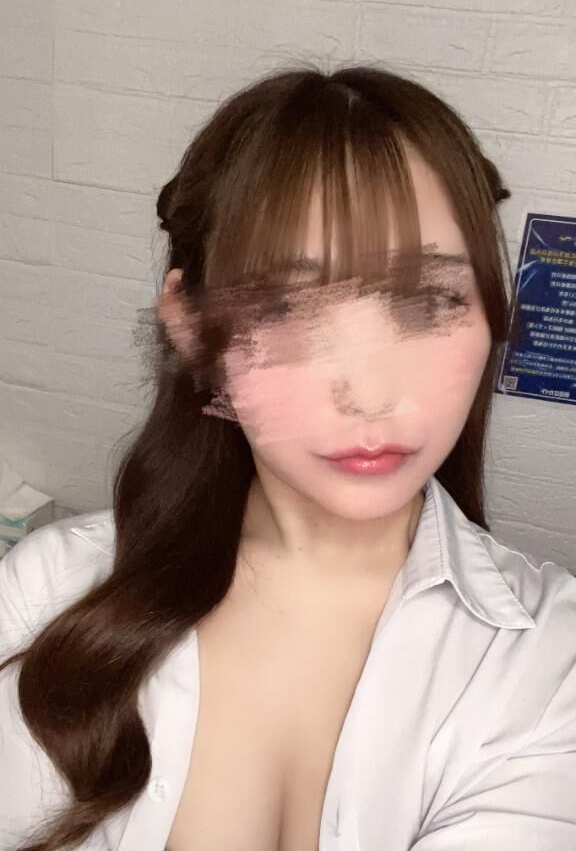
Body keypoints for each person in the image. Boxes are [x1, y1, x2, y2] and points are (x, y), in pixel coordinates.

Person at [1, 62, 575, 851]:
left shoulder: (549, 661)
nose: (370, 394)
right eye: (286, 309)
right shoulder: (45, 594)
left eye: (428, 300)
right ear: (192, 329)